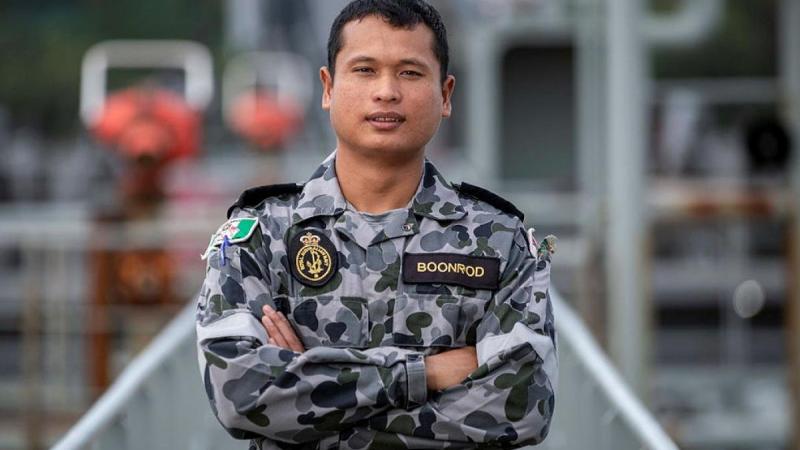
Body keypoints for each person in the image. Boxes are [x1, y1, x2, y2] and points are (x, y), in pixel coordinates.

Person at [196, 1, 557, 448]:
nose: (386, 91)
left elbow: (522, 407)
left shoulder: (500, 243)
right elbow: (241, 396)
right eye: (365, 70)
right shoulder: (261, 236)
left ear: (445, 95)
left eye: (409, 72)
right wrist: (427, 373)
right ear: (328, 87)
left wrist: (313, 390)